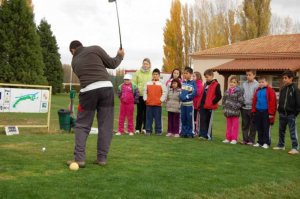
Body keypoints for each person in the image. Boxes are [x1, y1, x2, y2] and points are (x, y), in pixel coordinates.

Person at [67, 40, 125, 168]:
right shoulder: (95, 49)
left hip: (88, 91)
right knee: (106, 125)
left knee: (82, 125)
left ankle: (79, 159)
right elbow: (112, 64)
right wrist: (120, 55)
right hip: (106, 88)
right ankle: (102, 159)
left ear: (72, 50)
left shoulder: (74, 62)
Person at [273, 70, 300, 154]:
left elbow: (298, 103)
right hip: (282, 114)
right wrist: (279, 110)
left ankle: (295, 148)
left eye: (286, 78)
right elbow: (281, 101)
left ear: (291, 78)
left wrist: (294, 114)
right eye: (283, 78)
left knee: (292, 131)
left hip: (291, 114)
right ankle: (281, 145)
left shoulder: (295, 89)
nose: (284, 80)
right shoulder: (283, 89)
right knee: (281, 130)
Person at [252, 76, 277, 149]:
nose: (261, 83)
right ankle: (260, 142)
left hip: (266, 112)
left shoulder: (270, 90)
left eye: (263, 82)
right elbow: (254, 101)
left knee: (266, 127)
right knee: (259, 127)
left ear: (266, 82)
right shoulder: (257, 90)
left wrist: (271, 113)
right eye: (259, 82)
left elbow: (272, 102)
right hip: (258, 111)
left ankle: (266, 142)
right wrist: (254, 110)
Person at [198, 69, 222, 140]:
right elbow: (202, 94)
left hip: (210, 106)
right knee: (202, 120)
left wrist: (212, 102)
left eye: (207, 77)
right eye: (205, 77)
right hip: (202, 105)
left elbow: (219, 96)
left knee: (208, 121)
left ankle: (208, 135)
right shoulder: (205, 84)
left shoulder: (216, 84)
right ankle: (202, 135)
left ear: (212, 76)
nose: (206, 78)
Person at [143, 68, 167, 135]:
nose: (155, 75)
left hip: (157, 105)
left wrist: (160, 100)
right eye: (154, 74)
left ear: (159, 75)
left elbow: (164, 92)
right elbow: (144, 91)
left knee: (157, 118)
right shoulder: (148, 83)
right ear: (152, 75)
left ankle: (158, 131)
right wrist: (145, 99)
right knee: (148, 118)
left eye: (156, 74)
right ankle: (148, 130)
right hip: (149, 104)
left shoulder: (161, 83)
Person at [222, 76, 244, 144]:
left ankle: (234, 139)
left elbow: (241, 102)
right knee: (228, 126)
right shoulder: (227, 91)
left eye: (234, 82)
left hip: (235, 112)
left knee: (235, 126)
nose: (232, 83)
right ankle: (227, 138)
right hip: (228, 112)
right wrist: (225, 107)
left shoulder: (239, 92)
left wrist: (235, 107)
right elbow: (224, 100)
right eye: (231, 82)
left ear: (237, 84)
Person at [132, 58, 152, 134]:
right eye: (144, 63)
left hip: (148, 96)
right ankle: (137, 128)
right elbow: (133, 83)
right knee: (139, 112)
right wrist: (136, 90)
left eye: (146, 64)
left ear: (149, 65)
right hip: (139, 95)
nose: (145, 65)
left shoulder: (151, 73)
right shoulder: (137, 72)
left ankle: (145, 128)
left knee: (147, 112)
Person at [241, 70, 259, 145]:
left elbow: (257, 96)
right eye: (247, 75)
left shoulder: (257, 84)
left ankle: (251, 140)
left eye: (249, 75)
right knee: (245, 125)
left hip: (252, 108)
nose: (247, 76)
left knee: (253, 125)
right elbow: (241, 94)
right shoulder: (244, 84)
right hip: (244, 107)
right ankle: (245, 140)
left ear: (254, 75)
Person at [179, 67, 197, 138]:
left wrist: (187, 96)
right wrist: (181, 96)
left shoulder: (193, 83)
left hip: (189, 105)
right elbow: (180, 91)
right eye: (184, 73)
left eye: (186, 73)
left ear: (191, 74)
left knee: (189, 119)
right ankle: (184, 132)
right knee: (183, 119)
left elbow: (194, 92)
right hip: (183, 105)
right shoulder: (183, 82)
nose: (185, 74)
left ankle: (190, 133)